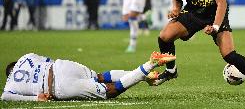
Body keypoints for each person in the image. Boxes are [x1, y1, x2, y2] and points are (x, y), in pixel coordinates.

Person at [1, 52, 175, 101]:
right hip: (61, 66)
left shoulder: (10, 85)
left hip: (57, 86)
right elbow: (48, 60)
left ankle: (149, 65)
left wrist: (36, 98)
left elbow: (5, 97)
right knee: (99, 77)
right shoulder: (26, 57)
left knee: (110, 91)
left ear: (10, 74)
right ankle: (146, 77)